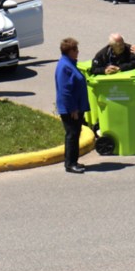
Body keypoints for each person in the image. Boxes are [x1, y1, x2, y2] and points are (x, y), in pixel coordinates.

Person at [54, 37, 89, 174]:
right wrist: (73, 108)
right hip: (70, 109)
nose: (78, 52)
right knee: (72, 134)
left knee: (75, 134)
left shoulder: (70, 63)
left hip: (76, 107)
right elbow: (65, 91)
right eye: (76, 50)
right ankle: (70, 164)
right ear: (70, 51)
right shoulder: (65, 66)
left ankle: (73, 161)